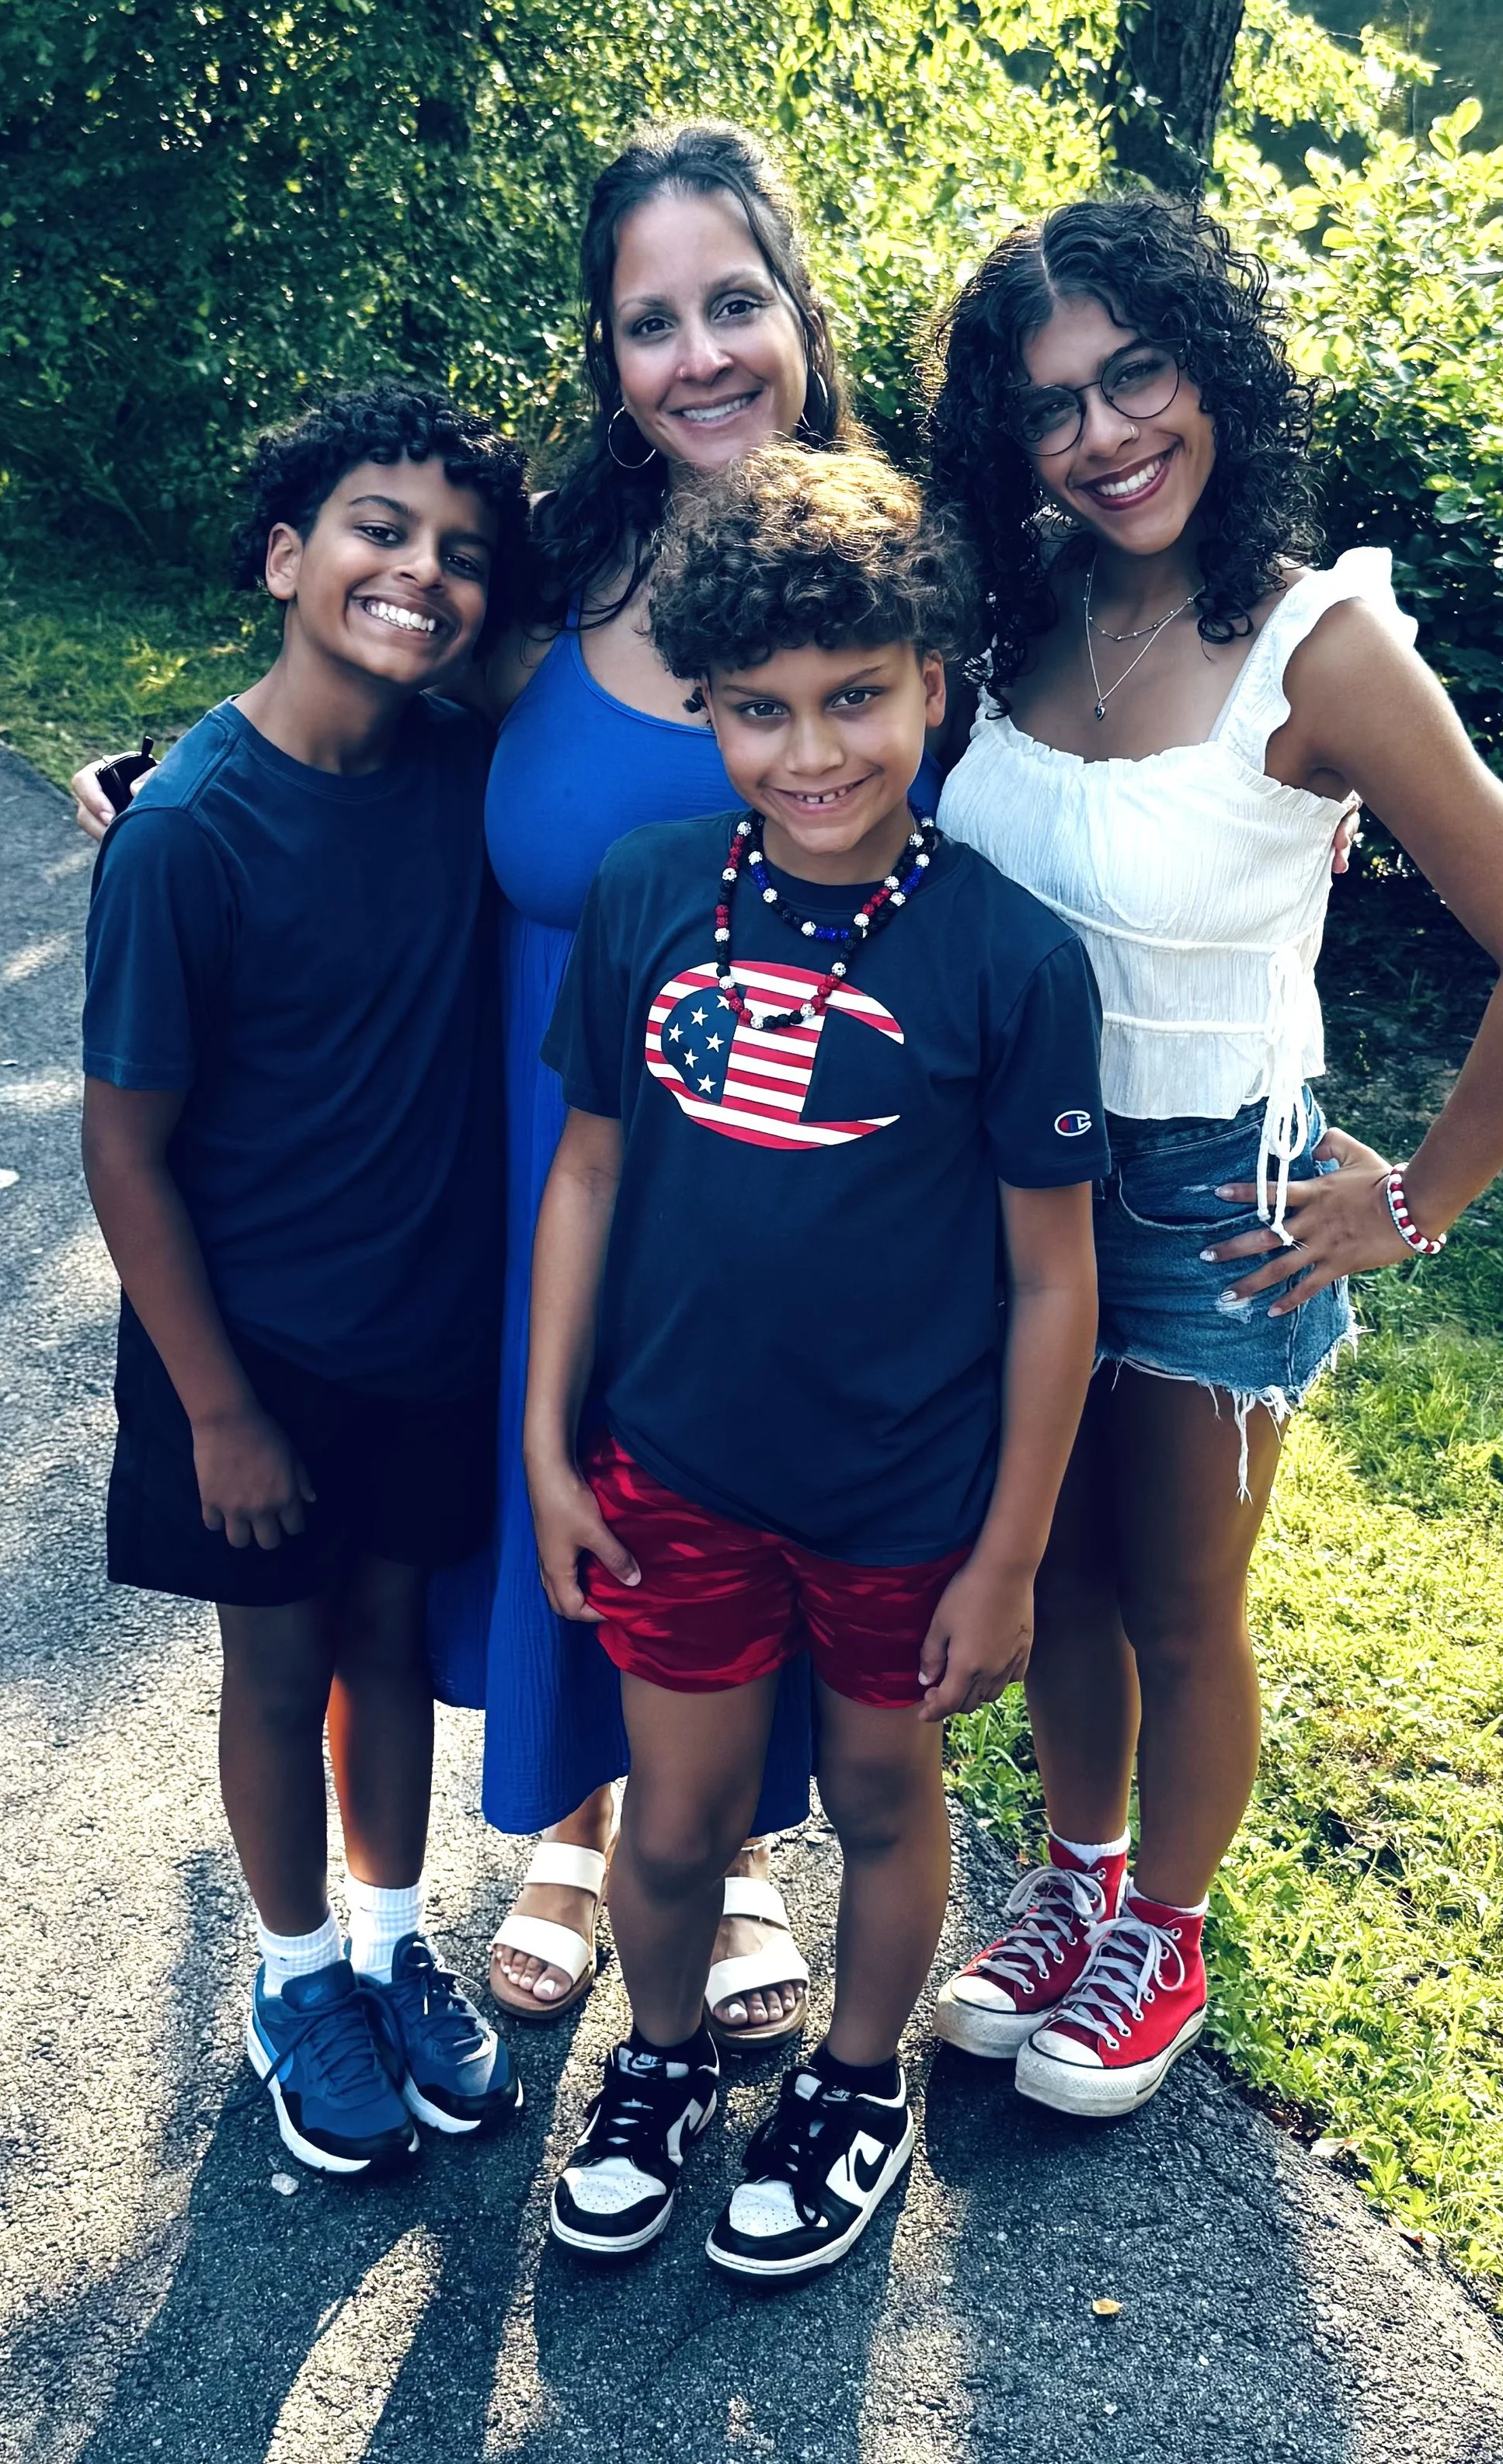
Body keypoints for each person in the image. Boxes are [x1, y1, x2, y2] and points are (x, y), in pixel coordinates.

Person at [73, 123, 890, 2047]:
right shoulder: (563, 572)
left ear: (794, 310)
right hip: (538, 1141)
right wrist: (150, 781)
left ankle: (739, 1845)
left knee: (742, 1477)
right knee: (557, 1501)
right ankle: (569, 1832)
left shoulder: (896, 553)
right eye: (648, 318)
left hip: (798, 1141)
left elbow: (1052, 740)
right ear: (606, 353)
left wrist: (1293, 803)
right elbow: (364, 688)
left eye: (732, 303)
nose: (697, 353)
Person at [922, 193, 1503, 2119]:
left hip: (1202, 1192)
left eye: (1133, 373)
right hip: (1006, 1183)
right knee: (1052, 1576)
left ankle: (1165, 1919)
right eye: (1051, 403)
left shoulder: (1316, 647)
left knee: (1171, 1596)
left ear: (1210, 368)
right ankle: (1070, 1884)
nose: (1102, 433)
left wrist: (1406, 1202)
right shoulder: (1003, 609)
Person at [527, 444, 1108, 2276]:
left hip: (900, 1506)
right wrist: (547, 1445)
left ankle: (855, 2080)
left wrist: (1005, 1552)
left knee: (877, 1799)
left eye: (856, 695)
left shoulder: (1009, 958)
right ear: (703, 708)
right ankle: (664, 2057)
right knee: (677, 1817)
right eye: (759, 710)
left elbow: (1048, 1285)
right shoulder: (639, 891)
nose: (814, 751)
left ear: (933, 681)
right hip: (670, 1470)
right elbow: (591, 1170)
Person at [81, 384, 526, 2175]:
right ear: (285, 555)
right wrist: (218, 1410)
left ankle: (386, 1940)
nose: (417, 570)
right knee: (275, 1669)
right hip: (249, 1358)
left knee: (390, 1644)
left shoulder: (460, 780)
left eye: (460, 553)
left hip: (424, 1332)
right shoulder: (185, 829)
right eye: (377, 527)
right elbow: (125, 1150)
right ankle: (287, 1980)